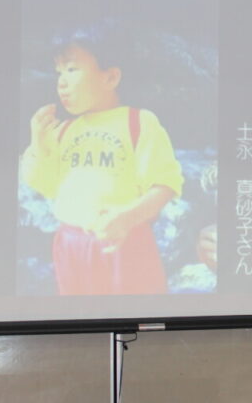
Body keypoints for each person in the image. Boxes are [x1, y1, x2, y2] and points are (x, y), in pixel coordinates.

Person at [20, 27, 184, 295]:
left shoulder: (137, 122)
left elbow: (165, 184)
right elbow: (44, 184)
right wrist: (38, 140)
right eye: (58, 72)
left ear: (110, 77)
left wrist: (128, 217)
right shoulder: (64, 130)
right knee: (77, 312)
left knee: (136, 308)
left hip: (125, 241)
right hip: (70, 243)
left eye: (71, 69)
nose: (61, 82)